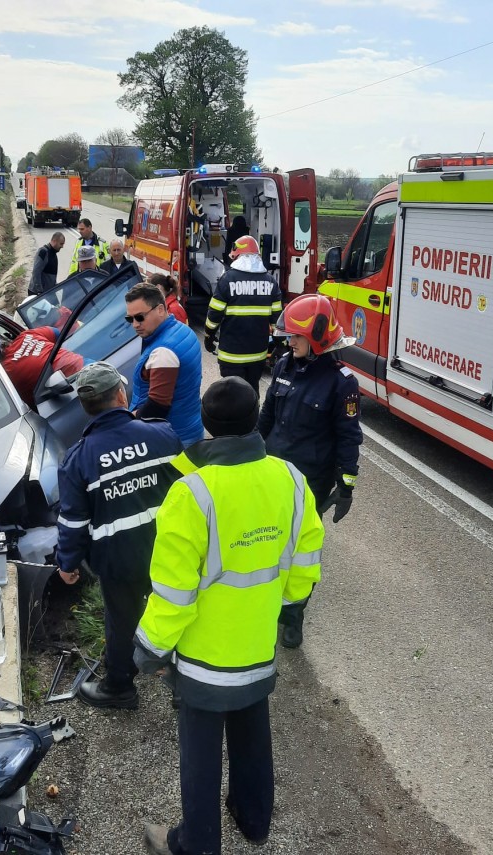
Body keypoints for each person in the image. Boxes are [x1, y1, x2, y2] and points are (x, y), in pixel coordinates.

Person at [135, 377, 325, 855]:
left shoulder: (192, 493)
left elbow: (174, 591)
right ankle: (254, 818)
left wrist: (150, 646)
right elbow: (305, 560)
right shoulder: (290, 478)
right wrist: (282, 606)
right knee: (252, 731)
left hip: (205, 657)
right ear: (253, 417)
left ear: (208, 426)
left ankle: (197, 843)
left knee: (199, 756)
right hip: (258, 646)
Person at [56, 362, 183, 709]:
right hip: (169, 551)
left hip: (118, 560)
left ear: (86, 407)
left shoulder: (77, 460)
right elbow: (189, 490)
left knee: (122, 620)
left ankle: (119, 687)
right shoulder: (162, 435)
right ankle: (186, 685)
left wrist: (67, 563)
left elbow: (73, 522)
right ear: (121, 395)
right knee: (177, 609)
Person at [257, 293, 362, 648]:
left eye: (296, 336)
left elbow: (349, 436)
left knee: (301, 552)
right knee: (267, 541)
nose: (290, 341)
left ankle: (293, 615)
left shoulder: (341, 382)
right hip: (272, 473)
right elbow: (267, 415)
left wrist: (346, 485)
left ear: (315, 337)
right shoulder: (286, 365)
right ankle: (267, 600)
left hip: (310, 482)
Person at [125, 283, 203, 446]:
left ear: (160, 309)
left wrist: (128, 421)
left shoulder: (163, 352)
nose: (135, 324)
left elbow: (157, 407)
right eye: (129, 319)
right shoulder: (183, 330)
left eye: (140, 317)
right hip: (190, 426)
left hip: (173, 439)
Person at [204, 235, 282, 397]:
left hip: (231, 356)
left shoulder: (227, 280)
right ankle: (252, 420)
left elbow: (214, 315)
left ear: (238, 255)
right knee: (252, 392)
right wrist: (279, 345)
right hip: (258, 355)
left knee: (232, 398)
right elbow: (277, 321)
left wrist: (208, 336)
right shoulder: (270, 282)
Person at [0, 327, 84, 409]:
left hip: (73, 387)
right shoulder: (26, 335)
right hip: (84, 364)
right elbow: (57, 332)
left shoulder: (6, 374)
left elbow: (27, 406)